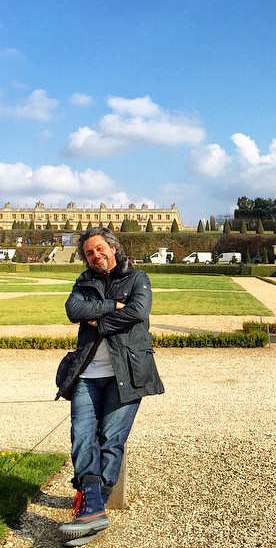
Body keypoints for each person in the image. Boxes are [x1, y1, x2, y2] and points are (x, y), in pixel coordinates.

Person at [58, 227, 164, 545]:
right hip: (87, 374)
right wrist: (113, 308)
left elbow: (138, 311)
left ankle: (92, 508)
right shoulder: (83, 282)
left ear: (113, 248)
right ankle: (93, 509)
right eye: (89, 252)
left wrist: (100, 321)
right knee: (82, 437)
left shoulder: (137, 278)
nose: (95, 255)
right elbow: (73, 310)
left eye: (99, 248)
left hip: (127, 373)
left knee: (110, 441)